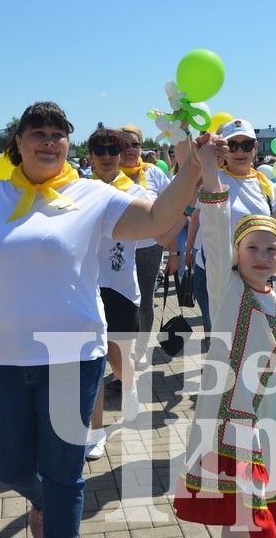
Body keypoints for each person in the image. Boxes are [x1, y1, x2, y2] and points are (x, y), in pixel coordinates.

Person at [0, 101, 213, 538]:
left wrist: (192, 168)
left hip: (73, 354)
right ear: (18, 144)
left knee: (65, 473)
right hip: (3, 358)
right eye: (38, 133)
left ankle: (57, 509)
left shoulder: (92, 194)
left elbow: (159, 219)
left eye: (58, 133)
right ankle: (43, 501)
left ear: (67, 143)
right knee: (10, 467)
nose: (49, 140)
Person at [173, 141, 276, 537]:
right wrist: (211, 169)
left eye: (270, 249)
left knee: (248, 511)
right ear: (236, 253)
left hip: (269, 421)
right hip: (225, 417)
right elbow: (213, 227)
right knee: (242, 512)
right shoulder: (226, 288)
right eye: (251, 247)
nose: (261, 255)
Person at [186, 118, 276, 334]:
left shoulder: (268, 187)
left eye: (246, 145)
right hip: (214, 273)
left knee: (253, 336)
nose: (239, 151)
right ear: (224, 149)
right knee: (219, 337)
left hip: (256, 272)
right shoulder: (212, 178)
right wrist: (187, 249)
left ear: (254, 148)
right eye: (233, 145)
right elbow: (195, 216)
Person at [84, 126, 148, 460]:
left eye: (114, 151)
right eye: (100, 151)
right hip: (86, 288)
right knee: (93, 361)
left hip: (122, 290)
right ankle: (96, 431)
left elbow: (158, 230)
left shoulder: (134, 193)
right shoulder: (78, 191)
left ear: (123, 156)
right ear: (91, 156)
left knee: (118, 360)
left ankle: (130, 384)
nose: (107, 157)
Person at [120, 124, 176, 369]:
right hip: (117, 250)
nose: (130, 149)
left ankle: (140, 350)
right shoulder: (107, 172)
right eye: (124, 144)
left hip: (150, 247)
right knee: (120, 302)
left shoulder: (153, 173)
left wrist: (174, 252)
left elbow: (171, 212)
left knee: (145, 301)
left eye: (135, 144)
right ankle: (121, 353)